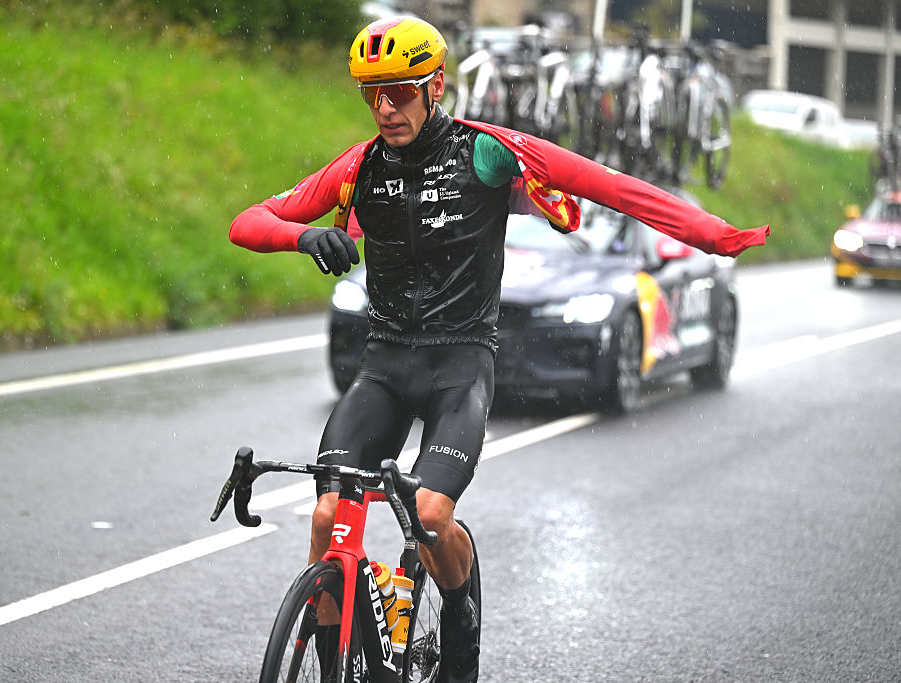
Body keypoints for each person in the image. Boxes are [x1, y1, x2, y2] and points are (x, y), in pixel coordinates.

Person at [230, 17, 769, 682]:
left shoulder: (483, 153)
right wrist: (304, 238)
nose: (383, 108)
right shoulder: (359, 167)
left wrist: (713, 234)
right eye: (371, 94)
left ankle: (459, 628)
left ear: (435, 86)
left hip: (461, 365)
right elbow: (248, 221)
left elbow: (610, 186)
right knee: (324, 516)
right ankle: (337, 660)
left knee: (428, 514)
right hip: (386, 364)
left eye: (398, 92)